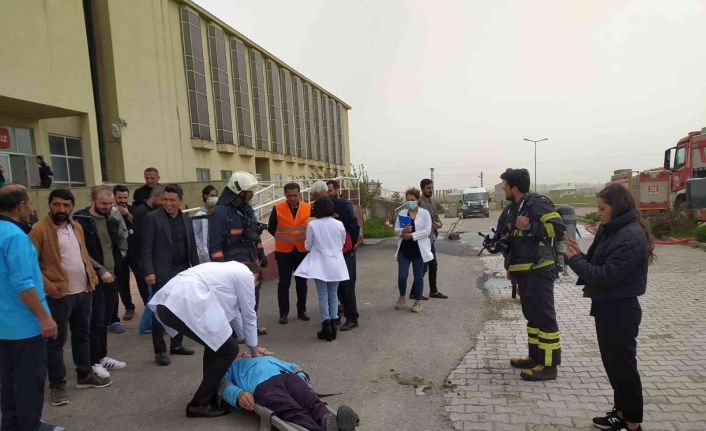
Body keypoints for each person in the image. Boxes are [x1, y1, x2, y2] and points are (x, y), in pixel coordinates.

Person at [567, 183, 652, 431]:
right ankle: (620, 413)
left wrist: (575, 261)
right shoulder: (612, 230)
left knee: (624, 368)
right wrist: (579, 255)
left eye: (602, 208)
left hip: (621, 309)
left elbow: (605, 276)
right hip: (607, 306)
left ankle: (633, 423)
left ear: (617, 207)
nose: (599, 213)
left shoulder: (631, 236)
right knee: (613, 366)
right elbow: (596, 264)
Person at [148, 261, 273, 418]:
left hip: (168, 304)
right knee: (229, 349)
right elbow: (249, 314)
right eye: (254, 286)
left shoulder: (228, 271)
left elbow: (236, 316)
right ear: (255, 276)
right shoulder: (246, 275)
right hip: (183, 302)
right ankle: (198, 404)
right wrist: (255, 355)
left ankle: (211, 393)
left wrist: (253, 346)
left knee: (216, 345)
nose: (252, 289)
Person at [29, 189, 110, 407]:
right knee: (56, 342)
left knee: (82, 334)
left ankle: (84, 374)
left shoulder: (76, 227)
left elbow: (83, 255)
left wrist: (92, 276)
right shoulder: (39, 230)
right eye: (57, 204)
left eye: (66, 205)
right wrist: (50, 287)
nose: (61, 209)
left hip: (83, 291)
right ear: (50, 205)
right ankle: (57, 385)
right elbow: (31, 264)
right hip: (59, 295)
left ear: (72, 206)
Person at [0, 184, 64, 431]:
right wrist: (44, 317)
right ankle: (30, 425)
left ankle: (11, 424)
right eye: (28, 203)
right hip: (25, 325)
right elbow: (23, 284)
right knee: (29, 379)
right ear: (21, 206)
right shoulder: (16, 237)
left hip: (4, 324)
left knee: (8, 379)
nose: (31, 208)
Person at [501, 168, 565, 381]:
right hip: (523, 271)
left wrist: (530, 226)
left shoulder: (537, 203)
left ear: (514, 188)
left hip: (539, 269)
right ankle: (535, 357)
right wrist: (510, 267)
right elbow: (514, 240)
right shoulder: (514, 207)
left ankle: (548, 366)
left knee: (544, 317)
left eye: (505, 185)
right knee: (533, 317)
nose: (503, 189)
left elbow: (557, 228)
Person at [218, 353, 360, 431]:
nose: (242, 354)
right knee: (292, 410)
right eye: (237, 354)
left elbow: (291, 365)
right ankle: (319, 429)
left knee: (311, 400)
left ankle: (329, 421)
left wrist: (301, 376)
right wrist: (238, 394)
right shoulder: (232, 367)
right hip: (263, 386)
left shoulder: (265, 357)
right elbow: (223, 385)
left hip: (287, 377)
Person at [141, 183, 199, 366]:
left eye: (172, 200)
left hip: (183, 271)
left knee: (180, 310)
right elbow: (146, 248)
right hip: (161, 272)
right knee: (160, 312)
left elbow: (192, 247)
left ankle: (177, 344)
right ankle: (160, 351)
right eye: (165, 199)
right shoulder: (152, 218)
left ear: (180, 201)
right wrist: (149, 271)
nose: (168, 203)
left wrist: (197, 271)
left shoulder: (186, 219)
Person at [74, 185, 128, 377]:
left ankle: (102, 356)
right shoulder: (80, 220)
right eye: (103, 203)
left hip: (112, 277)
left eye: (110, 203)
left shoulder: (112, 217)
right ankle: (92, 362)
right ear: (93, 200)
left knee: (105, 320)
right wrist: (100, 270)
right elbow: (81, 251)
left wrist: (121, 255)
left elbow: (122, 237)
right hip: (93, 279)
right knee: (94, 322)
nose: (107, 207)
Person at [209, 171, 269, 335]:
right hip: (232, 264)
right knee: (234, 301)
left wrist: (261, 251)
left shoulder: (246, 210)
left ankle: (250, 329)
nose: (252, 194)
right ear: (240, 192)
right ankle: (234, 332)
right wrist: (221, 270)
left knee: (252, 297)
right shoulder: (220, 212)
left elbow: (254, 232)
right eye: (249, 191)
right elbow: (215, 246)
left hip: (251, 261)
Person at [294, 196, 348, 341]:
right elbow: (342, 243)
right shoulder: (339, 224)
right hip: (336, 262)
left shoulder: (313, 224)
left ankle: (326, 326)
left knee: (322, 295)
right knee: (333, 293)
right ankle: (334, 323)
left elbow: (308, 245)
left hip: (320, 263)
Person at [267, 182, 311, 324]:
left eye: (295, 195)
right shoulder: (277, 208)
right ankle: (283, 313)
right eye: (289, 195)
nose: (292, 198)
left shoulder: (307, 208)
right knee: (284, 283)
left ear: (299, 194)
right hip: (283, 251)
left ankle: (302, 310)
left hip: (301, 250)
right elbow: (271, 227)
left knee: (302, 283)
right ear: (285, 195)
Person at [322, 180, 361, 331]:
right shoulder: (322, 206)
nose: (329, 194)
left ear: (338, 190)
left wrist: (353, 244)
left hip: (346, 250)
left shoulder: (344, 205)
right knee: (335, 286)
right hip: (331, 252)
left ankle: (352, 318)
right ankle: (336, 315)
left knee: (347, 284)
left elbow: (353, 225)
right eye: (326, 191)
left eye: (331, 190)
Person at [394, 188, 433, 313]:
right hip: (404, 250)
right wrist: (403, 231)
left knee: (418, 276)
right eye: (408, 200)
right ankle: (402, 297)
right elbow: (396, 229)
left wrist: (412, 235)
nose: (410, 202)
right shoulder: (402, 213)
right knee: (402, 276)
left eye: (412, 200)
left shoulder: (425, 213)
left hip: (418, 250)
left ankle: (417, 301)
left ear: (418, 199)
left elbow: (427, 231)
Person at [418, 178, 448, 299]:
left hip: (431, 239)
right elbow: (417, 221)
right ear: (422, 189)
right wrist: (430, 225)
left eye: (432, 188)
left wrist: (439, 224)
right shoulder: (419, 203)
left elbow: (436, 217)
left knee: (433, 265)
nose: (430, 190)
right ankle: (415, 292)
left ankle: (433, 291)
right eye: (428, 188)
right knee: (423, 267)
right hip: (422, 240)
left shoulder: (432, 202)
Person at [193, 185, 218, 264]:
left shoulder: (218, 214)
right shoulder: (199, 215)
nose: (215, 198)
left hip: (217, 252)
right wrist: (203, 251)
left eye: (216, 196)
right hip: (204, 255)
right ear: (206, 196)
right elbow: (195, 234)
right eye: (212, 195)